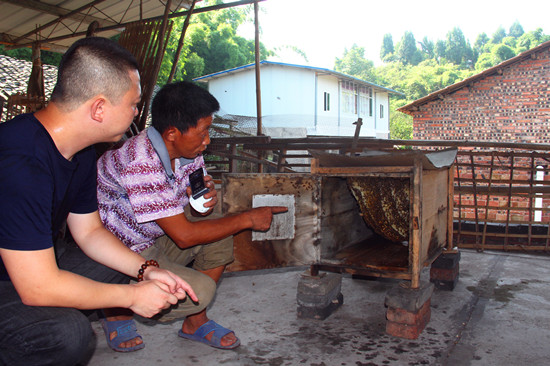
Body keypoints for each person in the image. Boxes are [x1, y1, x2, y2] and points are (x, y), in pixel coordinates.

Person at [0, 37, 201, 366]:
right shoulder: (21, 161)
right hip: (15, 278)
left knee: (112, 265)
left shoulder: (78, 154)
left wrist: (146, 271)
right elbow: (37, 287)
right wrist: (132, 297)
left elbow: (90, 232)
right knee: (69, 335)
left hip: (24, 264)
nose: (138, 113)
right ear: (98, 108)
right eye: (134, 104)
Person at [96, 81, 286, 351]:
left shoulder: (188, 152)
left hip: (155, 235)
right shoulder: (140, 162)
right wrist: (248, 219)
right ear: (172, 132)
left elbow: (198, 210)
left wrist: (204, 200)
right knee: (202, 291)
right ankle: (116, 308)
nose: (207, 141)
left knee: (218, 224)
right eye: (203, 131)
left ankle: (195, 323)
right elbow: (184, 237)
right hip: (119, 255)